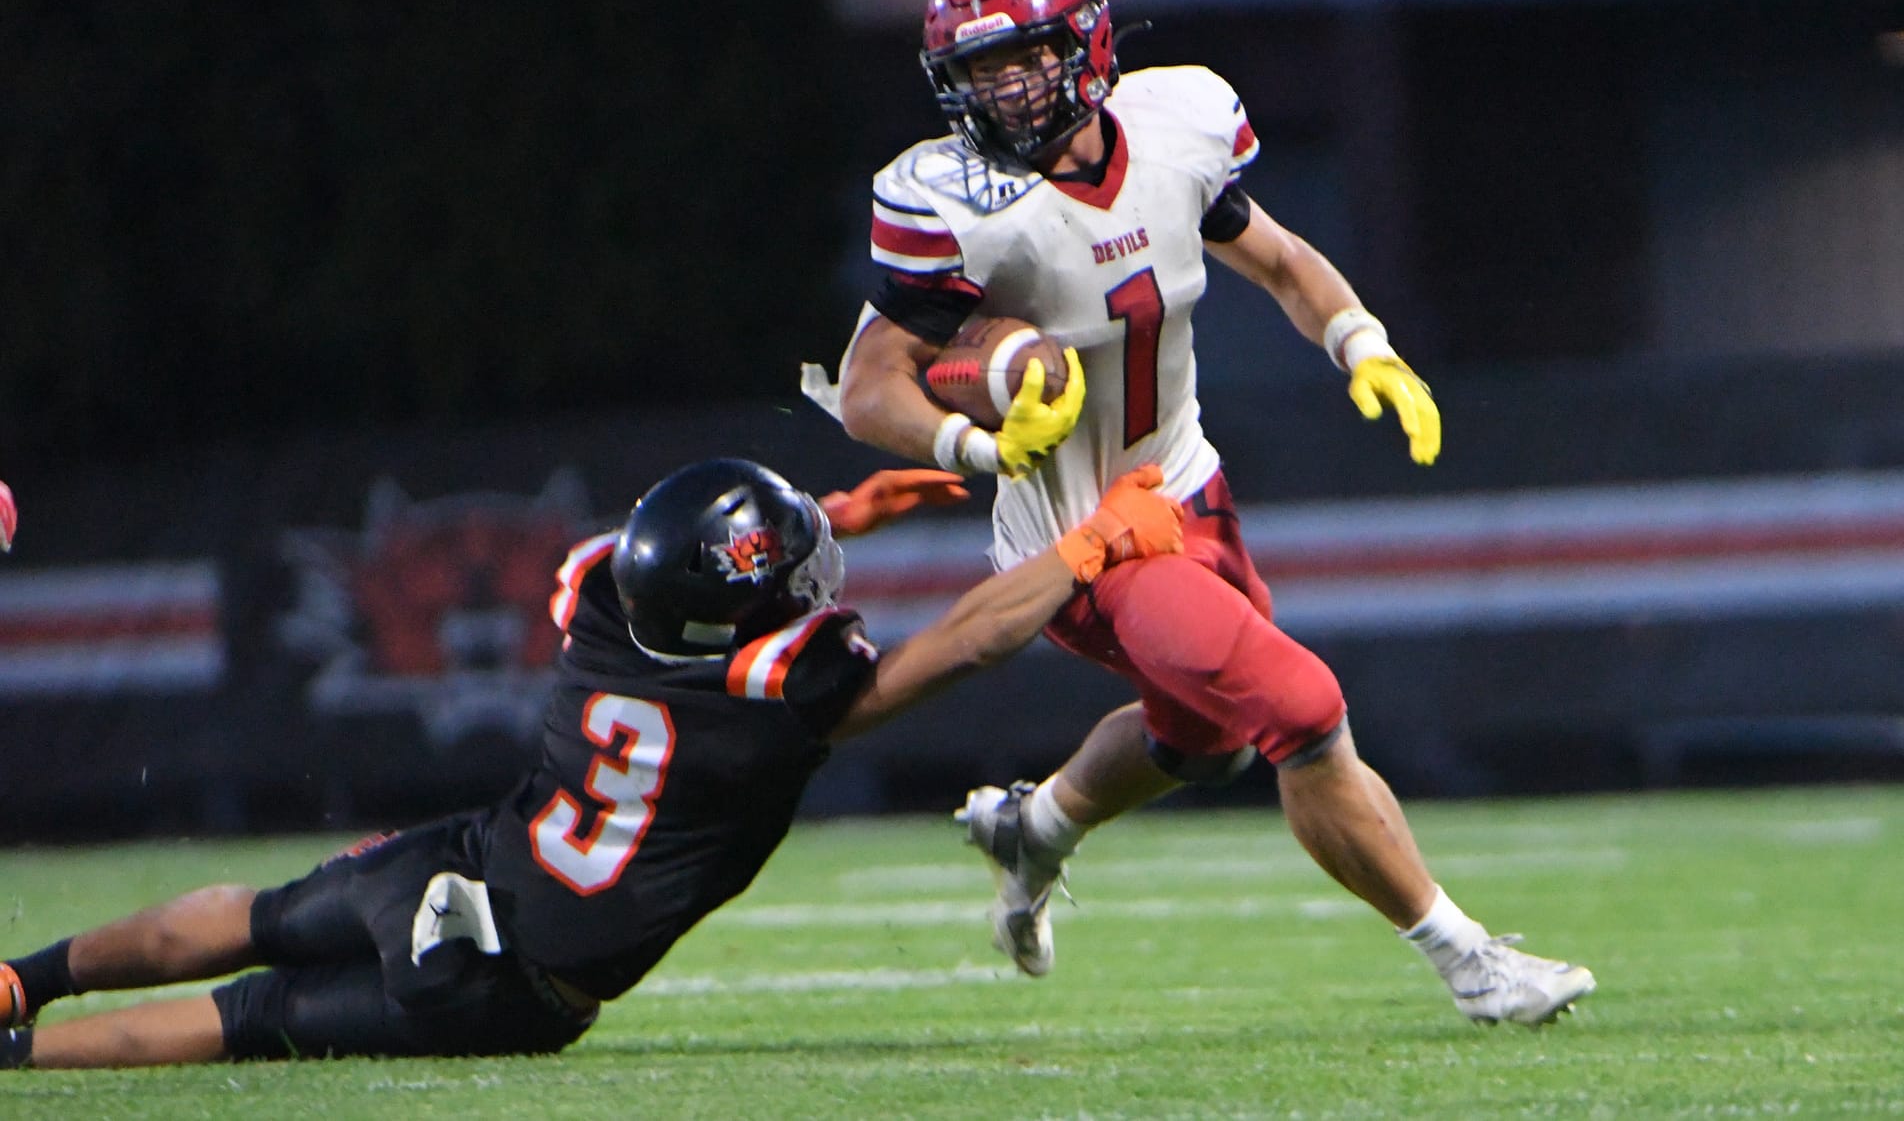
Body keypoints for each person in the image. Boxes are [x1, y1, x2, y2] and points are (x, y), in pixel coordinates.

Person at [814, 0, 1594, 1025]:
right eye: (982, 69)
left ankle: (1033, 827)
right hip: (1083, 543)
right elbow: (867, 386)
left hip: (1189, 488)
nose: (1008, 89)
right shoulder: (948, 198)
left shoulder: (1177, 121)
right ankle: (1467, 959)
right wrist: (973, 445)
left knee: (1201, 738)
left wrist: (1358, 342)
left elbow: (1274, 256)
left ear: (1084, 39)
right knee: (1303, 712)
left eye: (1025, 56)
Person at [0, 458, 1183, 1068]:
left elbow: (681, 565)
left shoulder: (603, 605)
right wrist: (1088, 545)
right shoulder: (774, 698)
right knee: (247, 1021)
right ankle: (28, 1056)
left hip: (476, 853)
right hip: (513, 981)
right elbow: (969, 639)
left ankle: (21, 979)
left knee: (255, 917)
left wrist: (829, 512)